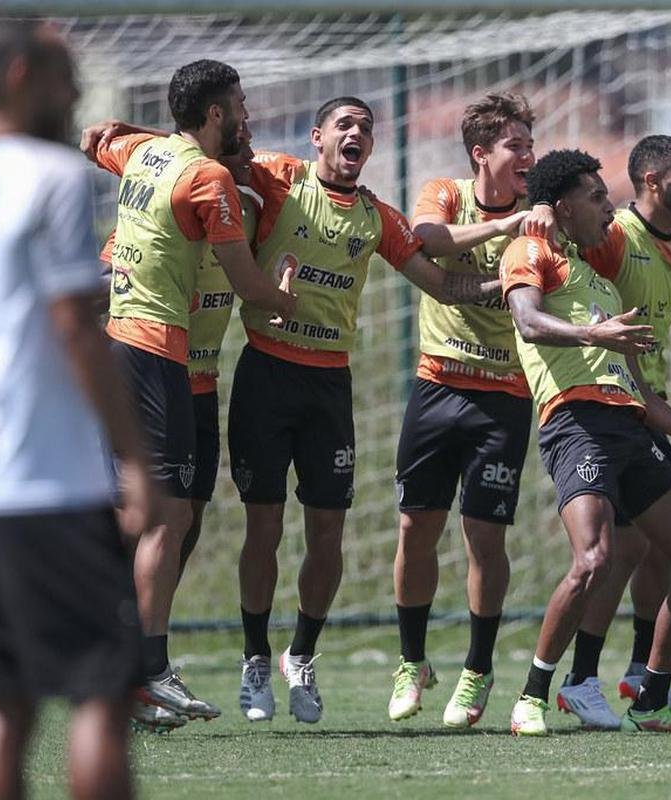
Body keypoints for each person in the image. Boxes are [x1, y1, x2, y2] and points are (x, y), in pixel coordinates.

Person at [84, 96, 500, 724]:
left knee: (324, 533)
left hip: (329, 388)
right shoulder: (275, 177)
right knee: (249, 527)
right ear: (317, 137)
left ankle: (298, 656)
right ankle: (248, 659)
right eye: (345, 124)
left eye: (367, 127)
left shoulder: (376, 217)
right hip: (259, 374)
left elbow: (441, 283)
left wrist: (516, 290)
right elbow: (201, 152)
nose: (358, 133)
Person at [0, 18, 159, 799]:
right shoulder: (50, 178)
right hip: (49, 481)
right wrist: (137, 458)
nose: (77, 92)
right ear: (21, 75)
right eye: (64, 75)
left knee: (5, 705)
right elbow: (78, 326)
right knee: (101, 697)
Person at [86, 58, 296, 726]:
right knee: (163, 520)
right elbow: (248, 284)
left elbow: (96, 133)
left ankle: (131, 668)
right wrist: (284, 294)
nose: (247, 116)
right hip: (154, 353)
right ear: (214, 115)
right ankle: (139, 671)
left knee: (161, 519)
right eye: (238, 104)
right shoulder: (206, 179)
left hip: (128, 348)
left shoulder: (148, 153)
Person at [500, 149, 671, 736]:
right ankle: (533, 694)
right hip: (576, 424)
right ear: (564, 206)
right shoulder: (530, 251)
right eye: (597, 197)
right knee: (594, 558)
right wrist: (588, 332)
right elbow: (526, 320)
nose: (609, 205)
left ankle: (651, 699)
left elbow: (637, 386)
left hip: (632, 427)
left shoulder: (599, 279)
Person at [388, 92, 535, 728]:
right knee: (414, 529)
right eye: (516, 145)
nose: (528, 155)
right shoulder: (446, 192)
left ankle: (477, 670)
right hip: (437, 385)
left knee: (484, 538)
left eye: (531, 144)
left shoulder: (542, 214)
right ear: (481, 154)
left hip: (505, 395)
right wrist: (503, 228)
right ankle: (411, 660)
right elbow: (427, 239)